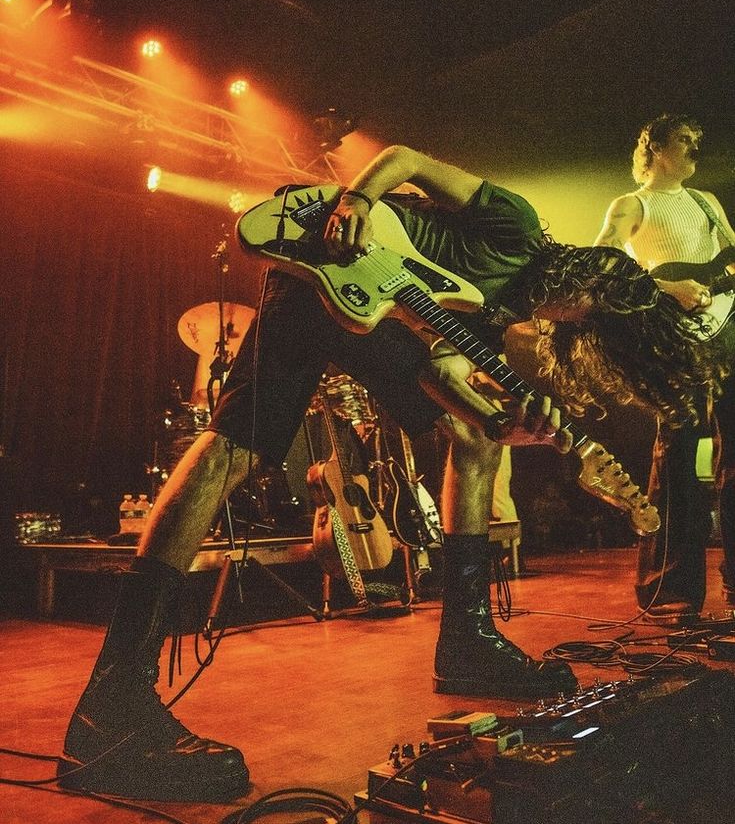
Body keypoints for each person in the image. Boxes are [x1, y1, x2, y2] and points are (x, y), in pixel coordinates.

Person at [59, 144, 718, 801]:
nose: (571, 321)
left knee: (475, 434)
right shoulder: (513, 225)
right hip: (329, 260)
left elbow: (443, 371)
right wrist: (356, 200)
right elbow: (406, 159)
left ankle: (467, 636)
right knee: (235, 448)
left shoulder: (498, 312)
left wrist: (524, 427)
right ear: (588, 284)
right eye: (586, 314)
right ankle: (114, 699)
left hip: (370, 309)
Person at [595, 114, 734, 624]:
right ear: (654, 146)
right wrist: (666, 289)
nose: (696, 147)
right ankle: (669, 592)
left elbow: (728, 262)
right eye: (684, 140)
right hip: (675, 337)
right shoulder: (633, 204)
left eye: (699, 139)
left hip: (727, 331)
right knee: (677, 455)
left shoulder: (706, 203)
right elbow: (603, 261)